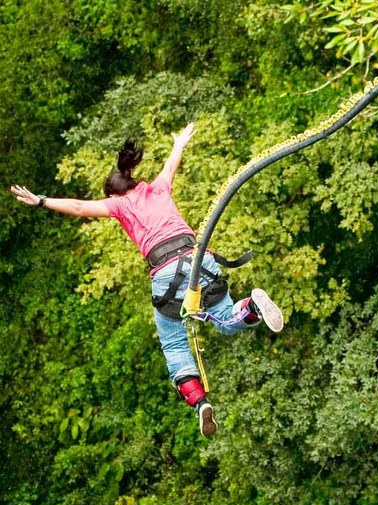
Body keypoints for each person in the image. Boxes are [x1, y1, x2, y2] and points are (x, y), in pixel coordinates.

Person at [9, 122, 284, 437]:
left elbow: (80, 207)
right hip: (199, 259)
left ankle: (201, 404)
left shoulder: (119, 204)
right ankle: (252, 306)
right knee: (225, 316)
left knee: (173, 342)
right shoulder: (157, 188)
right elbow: (171, 165)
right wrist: (179, 143)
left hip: (166, 273)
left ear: (114, 194)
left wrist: (41, 200)